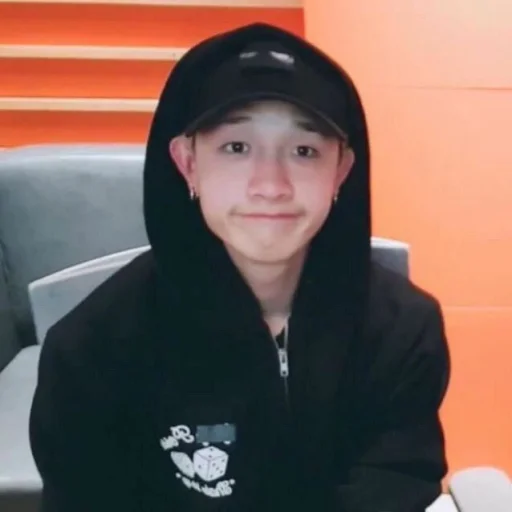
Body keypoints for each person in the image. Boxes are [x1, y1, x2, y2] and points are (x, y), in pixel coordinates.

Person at [29, 22, 450, 512]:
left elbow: (397, 483)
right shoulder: (92, 349)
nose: (270, 186)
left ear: (341, 171)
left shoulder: (403, 329)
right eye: (236, 148)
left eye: (304, 151)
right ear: (188, 163)